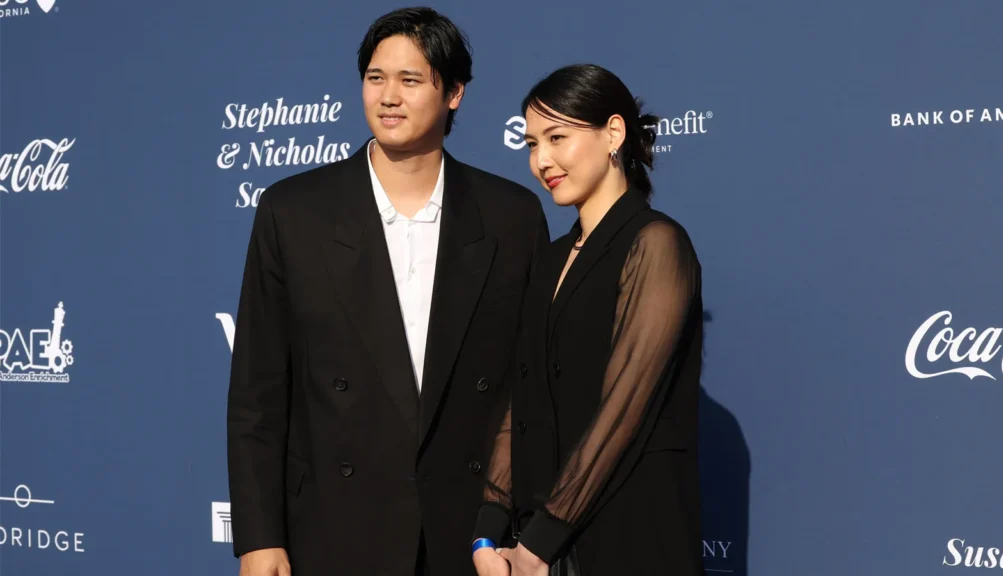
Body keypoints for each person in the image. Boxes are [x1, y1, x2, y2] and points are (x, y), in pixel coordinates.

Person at [226, 7, 549, 576]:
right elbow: (257, 392)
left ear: (454, 94)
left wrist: (520, 529)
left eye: (410, 79)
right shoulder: (294, 211)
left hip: (470, 538)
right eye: (376, 78)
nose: (388, 96)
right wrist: (258, 538)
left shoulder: (510, 216)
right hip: (332, 530)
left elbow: (526, 393)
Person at [471, 64, 704, 576]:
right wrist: (487, 531)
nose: (542, 160)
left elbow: (624, 409)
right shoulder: (550, 259)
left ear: (614, 133)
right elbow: (522, 405)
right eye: (532, 144)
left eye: (557, 137)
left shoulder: (656, 244)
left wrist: (537, 545)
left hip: (630, 537)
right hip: (539, 545)